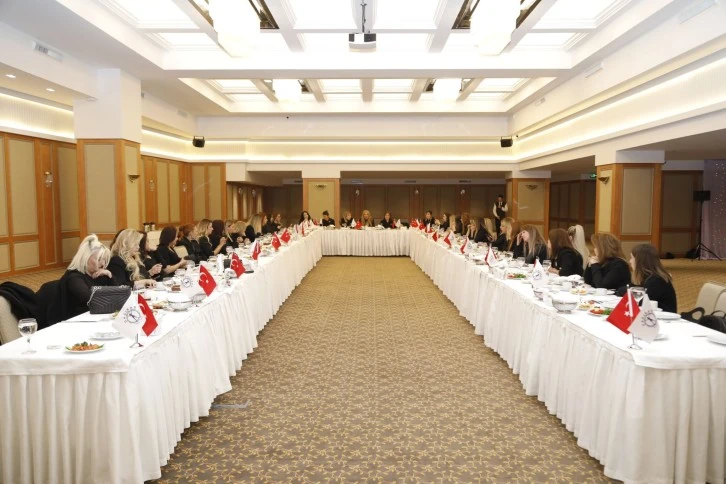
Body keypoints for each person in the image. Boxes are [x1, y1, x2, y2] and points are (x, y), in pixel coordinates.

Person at [58, 235, 115, 321]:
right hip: (73, 320)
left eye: (104, 260)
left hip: (91, 316)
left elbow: (119, 291)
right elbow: (90, 299)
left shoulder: (100, 273)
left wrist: (109, 275)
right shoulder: (74, 277)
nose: (103, 264)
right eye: (99, 259)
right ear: (86, 258)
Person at [617, 244, 677, 312]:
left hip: (662, 317)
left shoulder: (656, 280)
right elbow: (625, 290)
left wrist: (627, 291)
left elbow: (640, 302)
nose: (630, 261)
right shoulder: (646, 277)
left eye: (632, 258)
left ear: (639, 261)